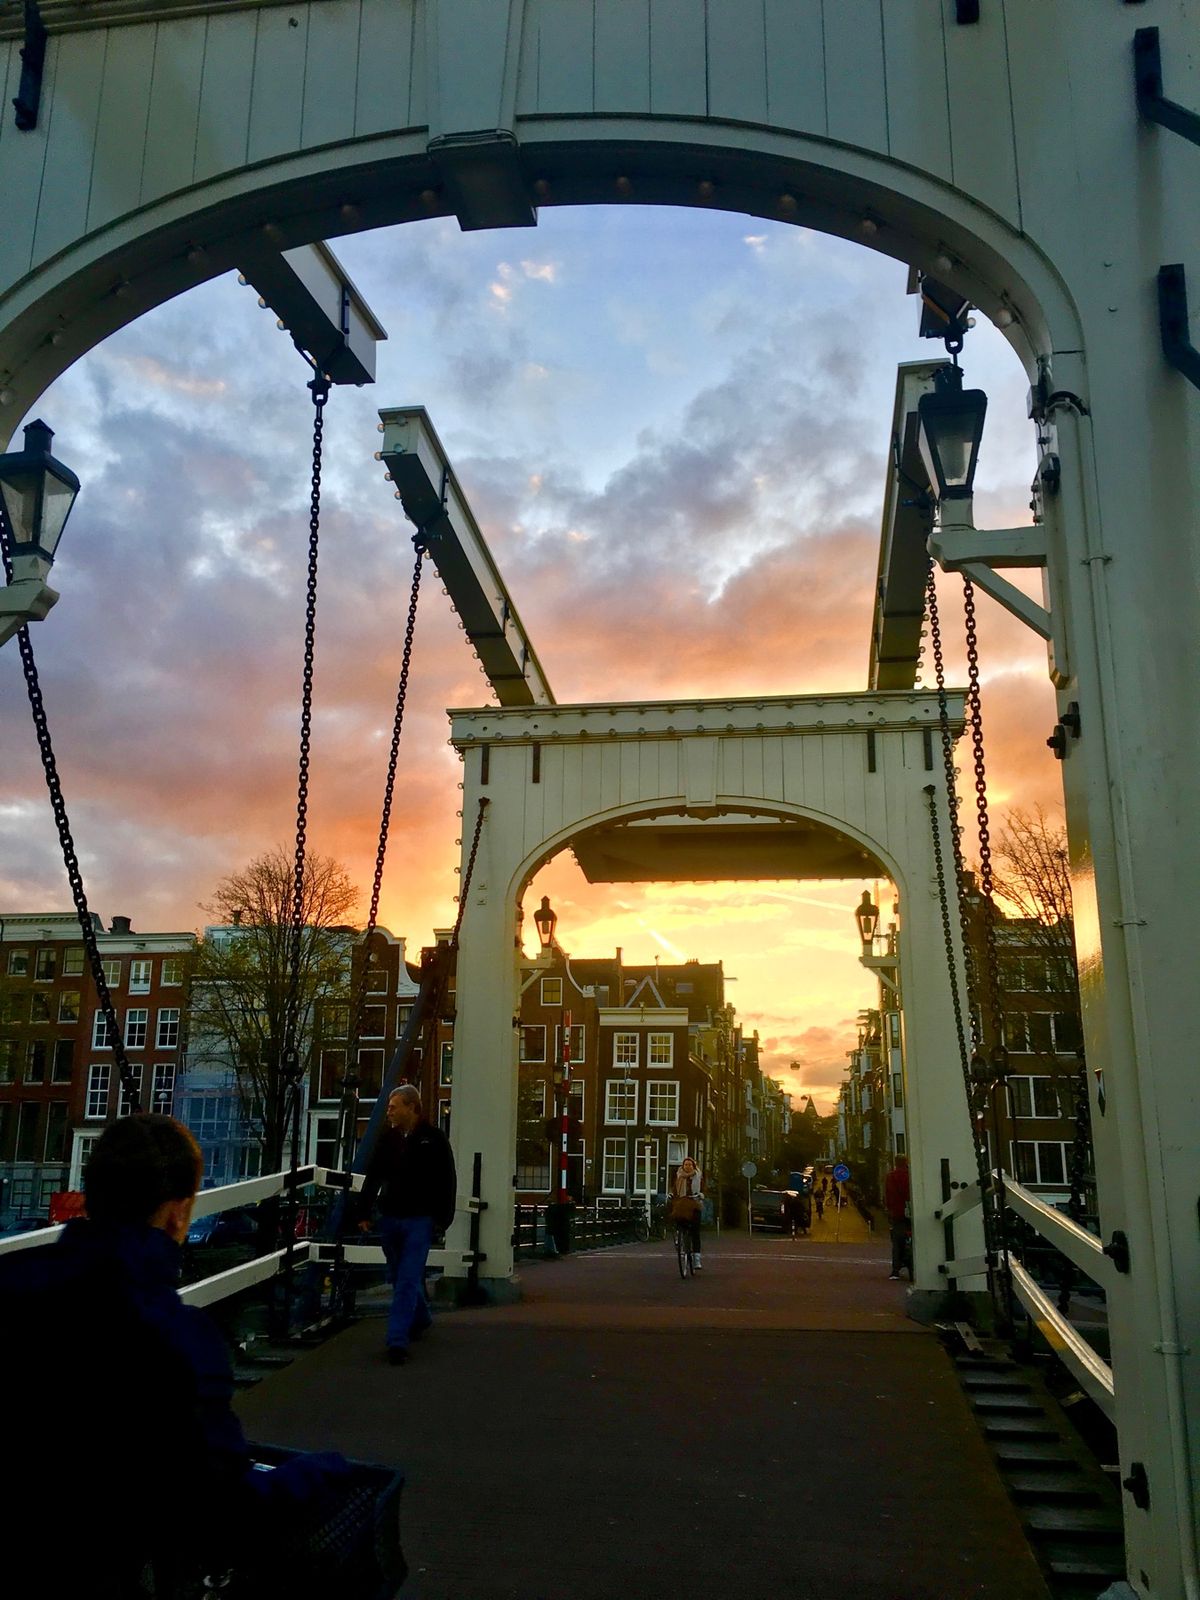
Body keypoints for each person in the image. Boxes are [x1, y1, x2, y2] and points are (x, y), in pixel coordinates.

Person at [0, 1113, 349, 1598]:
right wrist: (318, 1474)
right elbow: (225, 1509)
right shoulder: (179, 1340)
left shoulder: (11, 1283)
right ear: (178, 1214)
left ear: (91, 1193)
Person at [357, 1084, 457, 1364]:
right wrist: (363, 1212)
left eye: (393, 1106)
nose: (388, 1111)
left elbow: (446, 1179)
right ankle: (422, 1316)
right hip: (390, 1218)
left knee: (407, 1278)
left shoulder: (434, 1139)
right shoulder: (387, 1140)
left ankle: (396, 1341)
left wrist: (441, 1220)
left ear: (411, 1107)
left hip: (419, 1220)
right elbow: (374, 1176)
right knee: (399, 1274)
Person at [671, 1155, 704, 1270]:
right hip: (682, 1202)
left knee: (695, 1231)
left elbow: (703, 1188)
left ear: (693, 1166)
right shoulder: (679, 1176)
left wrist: (701, 1194)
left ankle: (696, 1258)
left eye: (690, 1164)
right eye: (686, 1164)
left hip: (694, 1202)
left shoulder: (698, 1176)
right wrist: (672, 1196)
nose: (688, 1166)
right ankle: (678, 1236)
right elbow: (674, 1189)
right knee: (676, 1215)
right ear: (683, 1166)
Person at [884, 1153, 912, 1280]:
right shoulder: (910, 1175)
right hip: (912, 1212)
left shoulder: (891, 1176)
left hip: (897, 1213)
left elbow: (888, 1196)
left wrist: (889, 1210)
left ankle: (896, 1270)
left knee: (897, 1242)